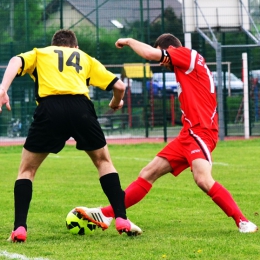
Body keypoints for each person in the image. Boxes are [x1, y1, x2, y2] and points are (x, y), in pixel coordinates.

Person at [76, 33, 258, 233]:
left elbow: (149, 53)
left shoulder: (184, 55)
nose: (163, 64)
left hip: (201, 131)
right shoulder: (189, 64)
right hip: (188, 133)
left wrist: (129, 41)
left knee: (203, 179)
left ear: (170, 50)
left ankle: (243, 221)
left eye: (164, 59)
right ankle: (107, 214)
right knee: (148, 173)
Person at [0, 29, 142, 242]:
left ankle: (20, 228)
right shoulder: (84, 57)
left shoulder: (41, 53)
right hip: (81, 108)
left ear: (54, 45)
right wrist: (114, 103)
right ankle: (122, 218)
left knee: (27, 170)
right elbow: (119, 86)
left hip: (49, 109)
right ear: (75, 47)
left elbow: (15, 61)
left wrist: (3, 88)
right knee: (104, 162)